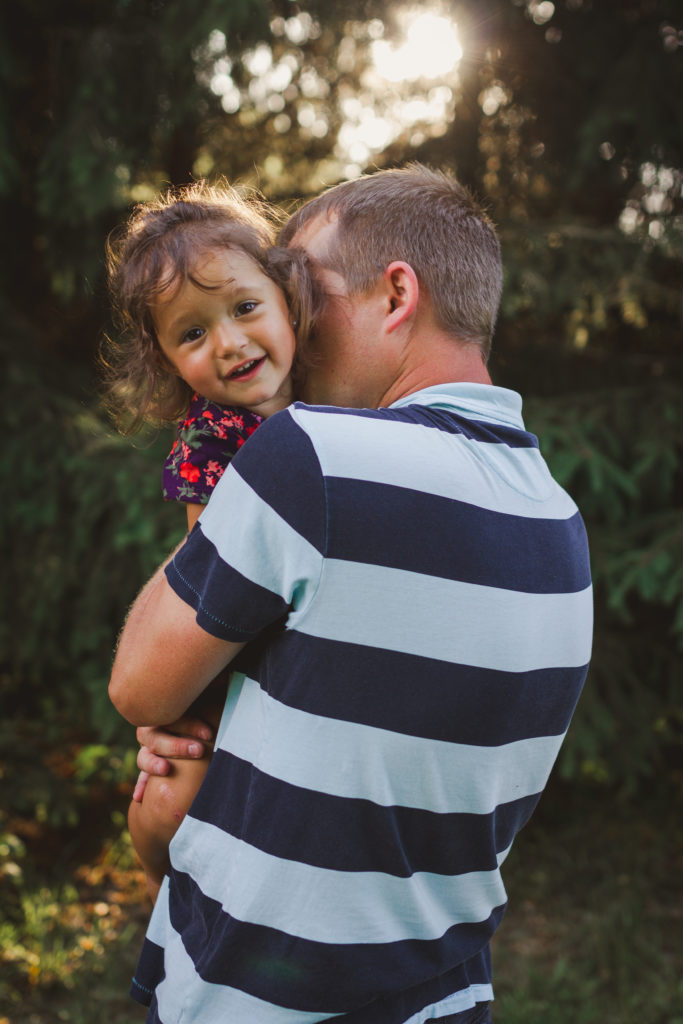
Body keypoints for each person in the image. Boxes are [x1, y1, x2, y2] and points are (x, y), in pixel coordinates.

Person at [109, 163, 593, 1024]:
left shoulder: (311, 458)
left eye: (305, 291)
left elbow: (141, 688)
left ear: (395, 294)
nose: (292, 323)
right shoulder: (558, 522)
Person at [103, 180, 322, 898]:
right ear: (167, 359)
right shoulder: (210, 438)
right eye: (192, 333)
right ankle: (173, 892)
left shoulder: (343, 400)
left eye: (244, 308)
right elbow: (215, 582)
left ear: (286, 297)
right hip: (235, 655)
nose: (228, 343)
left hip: (321, 658)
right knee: (172, 795)